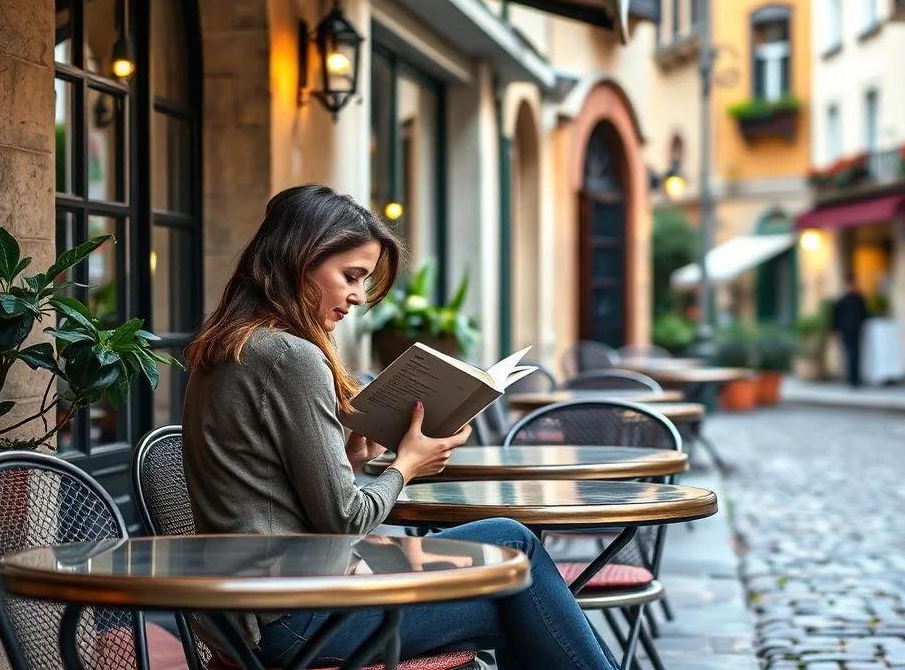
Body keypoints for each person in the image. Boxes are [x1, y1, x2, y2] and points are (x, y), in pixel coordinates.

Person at [182, 184, 618, 670]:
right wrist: (407, 465)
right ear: (298, 260)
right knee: (518, 583)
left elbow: (273, 494)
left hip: (259, 601)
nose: (357, 297)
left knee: (512, 545)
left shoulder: (230, 347)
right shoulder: (290, 356)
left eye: (363, 281)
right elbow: (344, 520)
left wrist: (349, 461)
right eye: (351, 275)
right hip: (291, 616)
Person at [831, 275, 869, 388]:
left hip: (857, 329)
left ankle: (856, 378)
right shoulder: (842, 300)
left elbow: (864, 313)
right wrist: (835, 330)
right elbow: (835, 316)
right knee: (850, 353)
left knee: (856, 354)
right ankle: (851, 378)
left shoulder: (859, 299)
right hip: (846, 330)